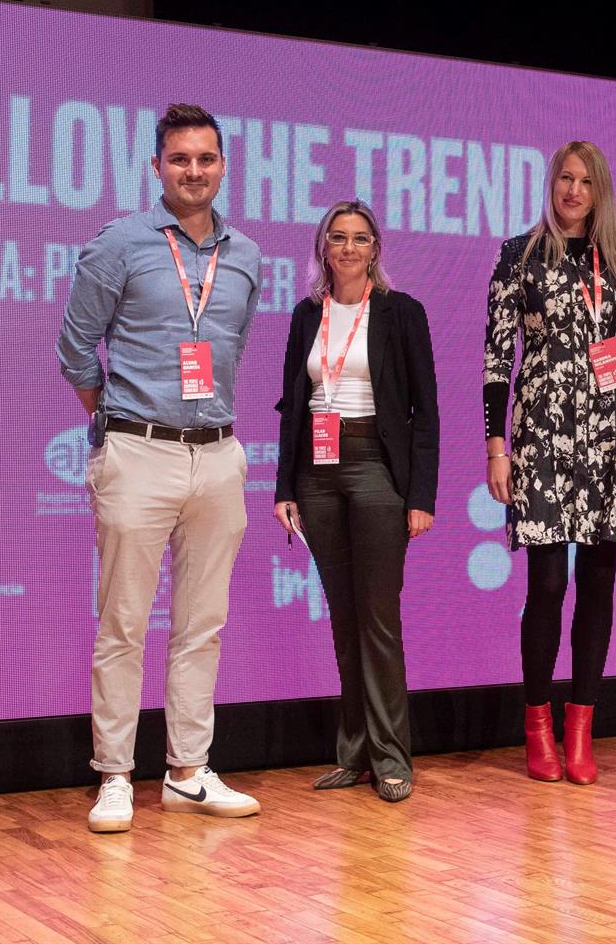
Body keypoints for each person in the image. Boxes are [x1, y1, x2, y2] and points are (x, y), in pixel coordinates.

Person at [56, 103, 264, 833]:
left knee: (202, 623)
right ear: (157, 168)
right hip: (137, 449)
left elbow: (231, 346)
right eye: (180, 160)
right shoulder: (121, 242)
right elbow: (77, 348)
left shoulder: (246, 254)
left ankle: (187, 771)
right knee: (123, 622)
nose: (194, 171)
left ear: (223, 165)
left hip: (218, 453)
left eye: (206, 159)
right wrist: (114, 422)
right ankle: (114, 774)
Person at [484, 141, 616, 785]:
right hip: (542, 433)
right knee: (548, 584)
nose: (574, 190)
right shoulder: (521, 256)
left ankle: (581, 727)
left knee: (600, 585)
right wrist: (496, 446)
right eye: (565, 178)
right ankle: (537, 725)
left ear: (599, 190)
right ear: (551, 185)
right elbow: (498, 357)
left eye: (585, 181)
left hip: (610, 434)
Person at [271, 200, 438, 804]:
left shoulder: (401, 313)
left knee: (378, 620)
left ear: (375, 249)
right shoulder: (304, 316)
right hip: (316, 476)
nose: (348, 248)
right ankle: (355, 753)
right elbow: (294, 406)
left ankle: (394, 756)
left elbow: (425, 415)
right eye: (337, 238)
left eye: (360, 239)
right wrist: (284, 486)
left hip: (375, 469)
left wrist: (420, 497)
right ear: (323, 248)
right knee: (343, 620)